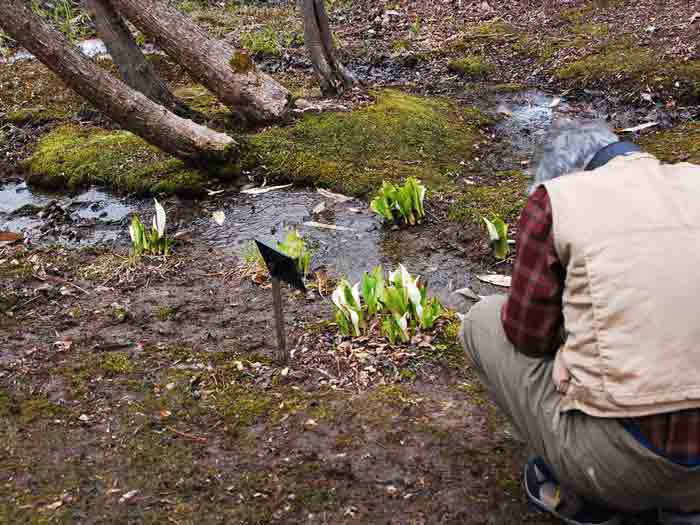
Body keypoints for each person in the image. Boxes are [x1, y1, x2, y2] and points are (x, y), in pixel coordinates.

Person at [460, 119, 700, 525]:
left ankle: (589, 499)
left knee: (482, 321)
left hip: (627, 471)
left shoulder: (559, 199)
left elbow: (527, 337)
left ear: (567, 174)